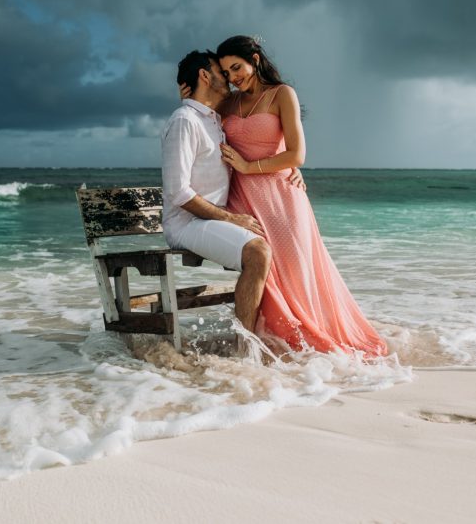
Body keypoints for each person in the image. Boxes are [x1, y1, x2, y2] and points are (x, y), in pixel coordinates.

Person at [214, 35, 388, 357]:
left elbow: (297, 155)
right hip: (243, 199)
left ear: (254, 58)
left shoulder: (282, 94)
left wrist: (252, 166)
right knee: (262, 269)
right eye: (226, 73)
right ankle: (260, 347)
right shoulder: (226, 103)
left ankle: (298, 349)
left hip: (283, 199)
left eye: (236, 67)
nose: (232, 77)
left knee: (296, 274)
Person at [160, 50, 272, 332]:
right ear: (204, 75)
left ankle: (272, 332)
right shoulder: (184, 120)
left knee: (273, 241)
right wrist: (231, 219)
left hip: (208, 219)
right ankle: (246, 346)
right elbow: (178, 192)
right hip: (186, 224)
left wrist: (289, 167)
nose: (230, 79)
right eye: (222, 73)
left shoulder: (211, 120)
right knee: (257, 251)